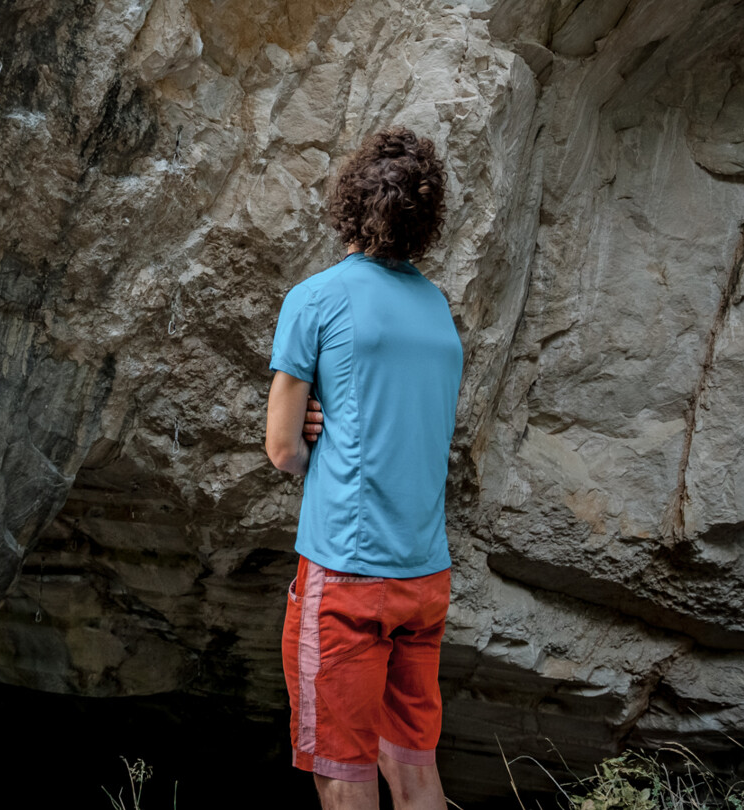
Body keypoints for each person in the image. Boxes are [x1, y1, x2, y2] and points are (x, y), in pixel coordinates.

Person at [264, 126, 463, 810]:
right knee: (413, 769)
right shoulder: (438, 309)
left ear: (349, 202)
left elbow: (283, 450)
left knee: (342, 773)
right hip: (425, 576)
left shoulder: (315, 300)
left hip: (348, 576)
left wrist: (314, 428)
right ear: (424, 218)